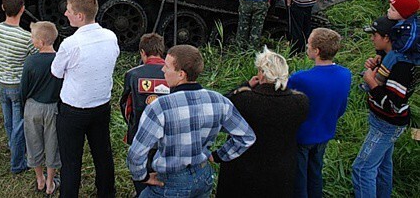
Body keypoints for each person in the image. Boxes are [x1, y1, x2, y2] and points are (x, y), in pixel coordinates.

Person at [127, 44, 256, 198]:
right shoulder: (219, 101)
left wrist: (142, 176)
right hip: (203, 176)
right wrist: (219, 155)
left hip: (170, 181)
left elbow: (136, 153)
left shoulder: (160, 107)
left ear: (181, 74)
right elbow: (246, 136)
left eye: (167, 67)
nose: (163, 70)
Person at [51, 0, 119, 198]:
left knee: (71, 161)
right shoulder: (111, 36)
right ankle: (107, 193)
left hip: (74, 109)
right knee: (103, 154)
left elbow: (56, 72)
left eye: (69, 11)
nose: (65, 13)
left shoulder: (70, 44)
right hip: (101, 105)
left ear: (80, 16)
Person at [216, 48, 309, 198]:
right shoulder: (300, 102)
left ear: (261, 73)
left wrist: (244, 85)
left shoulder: (245, 100)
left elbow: (222, 106)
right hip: (280, 169)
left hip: (243, 168)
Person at [352, 16, 418, 198]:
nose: (372, 38)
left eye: (375, 35)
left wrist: (371, 82)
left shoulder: (401, 67)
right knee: (381, 166)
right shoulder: (391, 59)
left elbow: (392, 106)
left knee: (362, 169)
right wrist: (376, 67)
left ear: (387, 37)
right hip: (385, 122)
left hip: (387, 124)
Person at [287, 28, 351, 198]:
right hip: (325, 131)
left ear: (316, 51)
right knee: (315, 172)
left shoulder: (301, 78)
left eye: (309, 44)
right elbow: (342, 106)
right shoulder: (345, 74)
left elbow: (288, 104)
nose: (307, 46)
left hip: (302, 135)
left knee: (299, 177)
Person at [0, 0, 37, 174]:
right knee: (20, 125)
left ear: (2, 7)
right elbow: (35, 58)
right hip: (18, 86)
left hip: (1, 81)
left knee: (8, 120)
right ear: (23, 9)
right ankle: (18, 160)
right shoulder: (26, 38)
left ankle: (12, 147)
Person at [119, 33, 168, 197]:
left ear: (142, 52)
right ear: (162, 51)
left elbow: (126, 107)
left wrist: (132, 125)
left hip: (141, 132)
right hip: (167, 134)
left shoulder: (133, 74)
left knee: (141, 169)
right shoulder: (173, 72)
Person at [20, 22, 63, 195]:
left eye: (33, 38)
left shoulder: (31, 61)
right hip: (53, 107)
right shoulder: (59, 59)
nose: (32, 40)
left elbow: (24, 87)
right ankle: (51, 182)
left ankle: (39, 179)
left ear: (41, 42)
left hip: (33, 106)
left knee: (33, 142)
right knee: (53, 144)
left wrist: (25, 102)